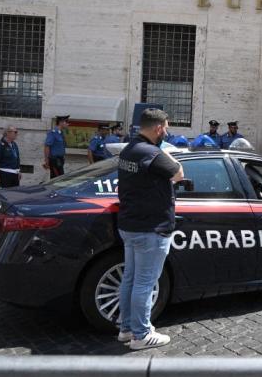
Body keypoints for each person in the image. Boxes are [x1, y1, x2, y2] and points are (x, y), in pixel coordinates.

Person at [116, 108, 184, 350]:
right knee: (145, 282)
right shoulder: (152, 152)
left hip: (130, 224)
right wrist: (168, 152)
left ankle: (126, 328)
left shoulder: (129, 150)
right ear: (157, 128)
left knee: (131, 279)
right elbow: (178, 173)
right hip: (150, 228)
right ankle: (141, 334)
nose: (166, 131)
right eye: (165, 127)